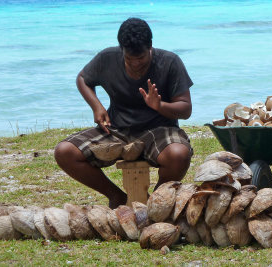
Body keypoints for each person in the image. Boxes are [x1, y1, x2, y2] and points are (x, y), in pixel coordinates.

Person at [54, 18, 193, 208]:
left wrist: (159, 105)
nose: (136, 64)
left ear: (150, 47)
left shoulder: (170, 62)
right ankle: (117, 197)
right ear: (121, 50)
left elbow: (185, 109)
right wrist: (97, 106)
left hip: (159, 129)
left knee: (179, 155)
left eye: (141, 59)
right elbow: (82, 78)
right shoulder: (107, 58)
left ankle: (155, 203)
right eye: (129, 59)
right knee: (65, 152)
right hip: (117, 129)